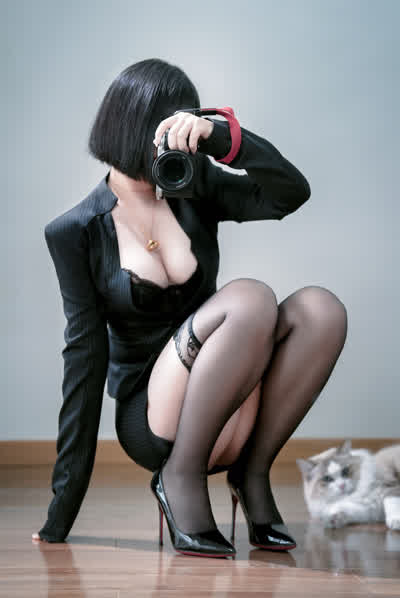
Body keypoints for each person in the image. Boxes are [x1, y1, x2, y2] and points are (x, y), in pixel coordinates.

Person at [32, 58, 348, 557]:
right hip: (155, 419)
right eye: (159, 131)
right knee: (250, 297)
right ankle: (179, 477)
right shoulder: (77, 231)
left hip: (229, 406)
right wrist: (61, 511)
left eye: (177, 130)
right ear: (126, 127)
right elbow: (84, 362)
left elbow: (290, 193)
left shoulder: (195, 186)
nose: (169, 146)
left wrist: (223, 139)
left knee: (321, 311)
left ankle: (252, 473)